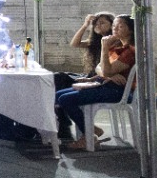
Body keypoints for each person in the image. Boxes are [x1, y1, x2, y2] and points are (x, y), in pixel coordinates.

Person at [54, 14, 137, 144]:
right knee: (58, 95)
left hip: (118, 91)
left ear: (130, 30)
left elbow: (105, 70)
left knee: (65, 99)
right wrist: (106, 74)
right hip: (106, 84)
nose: (115, 29)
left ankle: (88, 136)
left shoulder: (129, 51)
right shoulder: (118, 47)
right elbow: (100, 67)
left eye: (120, 26)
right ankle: (91, 130)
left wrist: (104, 49)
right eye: (114, 26)